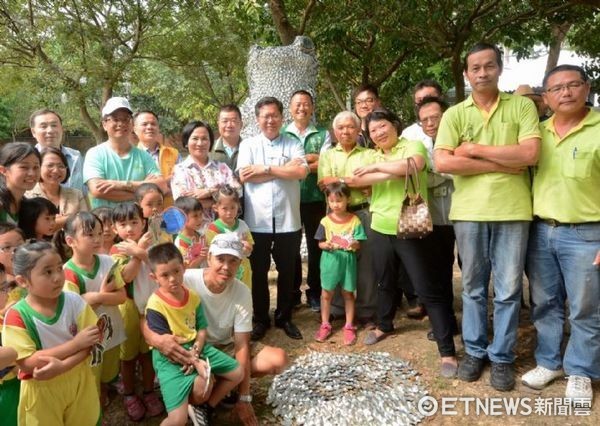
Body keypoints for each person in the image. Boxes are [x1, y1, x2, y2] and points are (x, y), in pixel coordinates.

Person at [434, 42, 541, 390]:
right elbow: (444, 162)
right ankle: (475, 351)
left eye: (488, 66)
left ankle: (502, 357)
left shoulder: (522, 106)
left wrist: (476, 151)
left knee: (509, 290)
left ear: (499, 68)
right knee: (474, 288)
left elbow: (530, 154)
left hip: (513, 211)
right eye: (475, 68)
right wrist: (505, 162)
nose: (482, 73)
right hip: (469, 213)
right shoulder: (454, 114)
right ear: (467, 74)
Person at [353, 108, 459, 378]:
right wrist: (395, 170)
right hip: (379, 226)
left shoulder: (413, 144)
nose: (379, 133)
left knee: (427, 288)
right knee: (385, 282)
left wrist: (378, 169)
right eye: (373, 130)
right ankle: (384, 325)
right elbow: (357, 180)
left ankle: (447, 350)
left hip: (410, 227)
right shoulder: (370, 153)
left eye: (383, 126)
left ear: (394, 126)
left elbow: (415, 165)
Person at [144, 233, 288, 426]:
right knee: (200, 388)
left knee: (277, 359)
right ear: (209, 257)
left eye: (233, 261)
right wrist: (157, 340)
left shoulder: (242, 292)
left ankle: (207, 405)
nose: (226, 267)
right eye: (220, 259)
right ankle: (200, 395)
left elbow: (242, 344)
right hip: (191, 347)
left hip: (217, 347)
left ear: (240, 263)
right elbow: (147, 314)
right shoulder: (182, 278)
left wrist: (244, 397)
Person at [521, 65, 600, 401]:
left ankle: (581, 370)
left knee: (585, 307)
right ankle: (549, 361)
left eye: (573, 85)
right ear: (546, 97)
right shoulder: (538, 134)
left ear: (587, 87)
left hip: (586, 233)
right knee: (545, 302)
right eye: (556, 88)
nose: (565, 93)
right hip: (541, 231)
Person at [2, 241, 100, 425]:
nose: (57, 277)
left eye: (59, 268)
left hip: (80, 380)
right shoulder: (17, 316)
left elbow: (93, 341)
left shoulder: (74, 301)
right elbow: (27, 362)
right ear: (23, 281)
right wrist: (75, 344)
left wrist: (63, 366)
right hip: (41, 391)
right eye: (47, 272)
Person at [145, 243, 243, 425]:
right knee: (177, 420)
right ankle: (186, 405)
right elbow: (168, 346)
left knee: (237, 372)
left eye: (176, 271)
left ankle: (206, 407)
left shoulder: (193, 297)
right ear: (154, 277)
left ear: (183, 267)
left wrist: (196, 351)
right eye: (165, 275)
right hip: (170, 360)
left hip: (197, 349)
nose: (173, 279)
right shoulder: (155, 304)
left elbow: (202, 329)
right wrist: (193, 361)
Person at [237, 96, 309, 341]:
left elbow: (300, 171)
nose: (270, 120)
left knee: (288, 271)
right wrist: (283, 170)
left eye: (274, 115)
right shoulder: (248, 145)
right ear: (257, 119)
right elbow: (246, 176)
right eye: (265, 116)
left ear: (282, 117)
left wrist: (265, 169)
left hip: (288, 219)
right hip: (257, 221)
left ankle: (284, 317)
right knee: (258, 272)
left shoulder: (293, 142)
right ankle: (260, 319)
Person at [61, 212, 127, 408]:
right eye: (90, 235)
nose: (97, 238)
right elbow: (73, 313)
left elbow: (122, 297)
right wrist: (104, 297)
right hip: (88, 340)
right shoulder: (68, 273)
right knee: (91, 376)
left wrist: (95, 297)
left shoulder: (107, 261)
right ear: (71, 240)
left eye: (99, 233)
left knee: (108, 371)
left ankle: (105, 391)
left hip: (111, 331)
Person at [317, 111, 376, 323]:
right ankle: (337, 308)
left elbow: (372, 181)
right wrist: (354, 181)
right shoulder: (328, 155)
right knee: (336, 258)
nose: (345, 131)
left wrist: (340, 181)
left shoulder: (369, 155)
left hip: (362, 212)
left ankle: (367, 310)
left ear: (358, 129)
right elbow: (324, 183)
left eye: (350, 126)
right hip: (334, 215)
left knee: (365, 261)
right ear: (334, 131)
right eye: (341, 127)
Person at [110, 202, 164, 420]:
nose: (130, 228)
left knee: (148, 353)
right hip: (128, 308)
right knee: (128, 355)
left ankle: (149, 391)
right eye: (123, 224)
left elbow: (160, 268)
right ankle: (130, 393)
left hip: (151, 305)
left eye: (134, 222)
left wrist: (140, 251)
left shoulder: (153, 245)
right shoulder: (117, 250)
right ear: (114, 228)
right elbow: (126, 277)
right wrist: (135, 254)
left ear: (144, 223)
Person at [415, 96, 459, 341]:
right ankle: (447, 322)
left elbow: (461, 169)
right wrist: (444, 171)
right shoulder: (420, 144)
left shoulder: (459, 138)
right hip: (432, 218)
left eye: (435, 117)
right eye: (425, 120)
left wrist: (437, 170)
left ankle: (477, 324)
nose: (430, 123)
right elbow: (424, 178)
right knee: (439, 272)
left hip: (462, 214)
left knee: (469, 271)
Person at [282, 89, 330, 312]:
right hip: (287, 198)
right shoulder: (282, 133)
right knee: (290, 247)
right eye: (297, 104)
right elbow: (281, 165)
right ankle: (292, 293)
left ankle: (315, 292)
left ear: (312, 107)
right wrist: (310, 161)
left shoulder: (322, 133)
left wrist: (298, 166)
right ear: (290, 108)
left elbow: (327, 163)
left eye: (306, 104)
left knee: (316, 246)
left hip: (314, 198)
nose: (301, 108)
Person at [83, 96, 167, 209]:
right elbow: (97, 190)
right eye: (115, 119)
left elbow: (161, 186)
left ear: (131, 124)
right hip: (106, 223)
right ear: (104, 124)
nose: (121, 124)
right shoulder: (95, 154)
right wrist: (142, 190)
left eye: (125, 119)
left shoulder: (143, 156)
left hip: (138, 223)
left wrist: (120, 185)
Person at [314, 183, 366, 345]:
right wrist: (326, 245)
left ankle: (349, 325)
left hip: (348, 261)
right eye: (331, 201)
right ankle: (325, 324)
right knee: (326, 294)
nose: (335, 205)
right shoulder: (325, 221)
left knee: (348, 293)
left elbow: (359, 242)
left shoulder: (354, 220)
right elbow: (320, 243)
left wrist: (353, 244)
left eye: (339, 201)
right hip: (330, 261)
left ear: (348, 200)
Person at [171, 120, 242, 223]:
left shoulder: (222, 168)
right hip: (194, 232)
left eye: (204, 139)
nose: (200, 143)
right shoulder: (180, 170)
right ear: (186, 142)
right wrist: (222, 200)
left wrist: (209, 192)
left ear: (210, 142)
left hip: (223, 230)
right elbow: (184, 203)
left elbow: (238, 191)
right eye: (195, 138)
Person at [25, 147, 88, 230]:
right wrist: (70, 218)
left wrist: (59, 221)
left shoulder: (76, 194)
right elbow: (30, 226)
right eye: (50, 165)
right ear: (38, 168)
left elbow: (85, 222)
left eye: (61, 166)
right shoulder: (27, 196)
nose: (55, 170)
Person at [205, 185, 254, 289]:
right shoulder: (213, 229)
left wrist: (247, 247)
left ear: (238, 206)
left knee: (243, 295)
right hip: (224, 271)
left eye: (233, 208)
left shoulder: (242, 225)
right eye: (224, 208)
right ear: (216, 208)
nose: (229, 212)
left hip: (243, 270)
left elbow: (250, 246)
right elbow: (214, 252)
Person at [134, 110, 181, 207]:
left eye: (153, 124)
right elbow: (131, 190)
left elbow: (181, 182)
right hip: (142, 215)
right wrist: (166, 182)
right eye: (144, 124)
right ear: (135, 129)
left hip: (171, 212)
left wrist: (148, 186)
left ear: (158, 128)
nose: (149, 127)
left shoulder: (174, 153)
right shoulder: (131, 156)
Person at [30, 109, 84, 190]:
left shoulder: (75, 156)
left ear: (62, 129)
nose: (50, 130)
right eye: (44, 126)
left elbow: (84, 191)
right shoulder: (26, 158)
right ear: (33, 132)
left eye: (54, 125)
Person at [0, 142, 41, 225]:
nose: (32, 173)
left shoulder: (27, 205)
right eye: (24, 167)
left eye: (36, 167)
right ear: (3, 170)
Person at [174, 196, 208, 269]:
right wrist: (201, 258)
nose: (200, 219)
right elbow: (186, 268)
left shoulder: (201, 235)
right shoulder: (181, 242)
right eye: (195, 216)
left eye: (201, 214)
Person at [210, 105, 243, 171]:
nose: (229, 125)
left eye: (233, 121)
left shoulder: (250, 148)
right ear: (218, 124)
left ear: (241, 124)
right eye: (225, 121)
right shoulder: (208, 149)